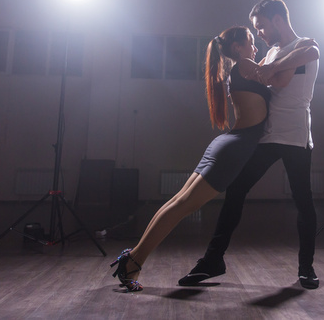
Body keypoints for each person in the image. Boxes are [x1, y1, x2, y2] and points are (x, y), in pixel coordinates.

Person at [110, 25, 293, 292]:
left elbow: (267, 63)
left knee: (176, 203)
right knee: (180, 207)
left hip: (226, 145)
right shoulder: (244, 64)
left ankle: (133, 257)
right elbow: (276, 71)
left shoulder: (242, 67)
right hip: (234, 148)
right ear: (237, 48)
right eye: (251, 42)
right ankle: (134, 260)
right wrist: (301, 50)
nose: (256, 48)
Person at [178, 0, 321, 289]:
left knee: (303, 202)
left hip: (295, 137)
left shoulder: (304, 45)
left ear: (278, 20)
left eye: (262, 27)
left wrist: (271, 68)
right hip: (267, 136)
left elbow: (311, 52)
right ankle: (213, 260)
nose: (259, 34)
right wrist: (264, 68)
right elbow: (262, 76)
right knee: (237, 189)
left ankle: (306, 268)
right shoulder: (270, 54)